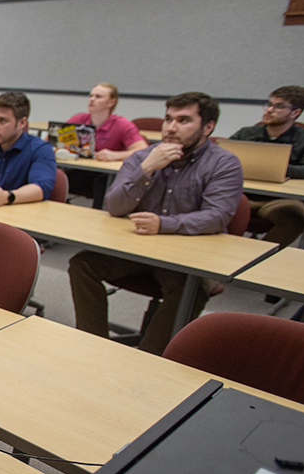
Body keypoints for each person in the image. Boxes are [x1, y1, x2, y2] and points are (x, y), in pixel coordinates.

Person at [68, 92, 244, 355]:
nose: (171, 128)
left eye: (183, 120)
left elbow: (217, 216)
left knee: (190, 289)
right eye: (168, 119)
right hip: (137, 249)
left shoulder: (224, 163)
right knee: (82, 265)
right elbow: (114, 206)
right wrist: (146, 170)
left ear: (208, 127)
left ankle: (150, 357)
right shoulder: (142, 157)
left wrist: (164, 224)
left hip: (187, 255)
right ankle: (93, 346)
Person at [229, 85, 304, 246]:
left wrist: (276, 169)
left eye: (279, 106)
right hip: (241, 193)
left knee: (294, 217)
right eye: (269, 104)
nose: (269, 110)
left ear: (295, 112)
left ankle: (258, 257)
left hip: (277, 199)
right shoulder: (246, 134)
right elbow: (221, 158)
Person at [0, 91, 57, 207]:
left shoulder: (40, 149)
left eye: (2, 121)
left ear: (22, 123)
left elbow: (41, 187)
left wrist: (7, 197)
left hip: (15, 216)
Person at [66, 82, 149, 162]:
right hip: (78, 166)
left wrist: (115, 155)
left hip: (105, 172)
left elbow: (143, 151)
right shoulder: (78, 119)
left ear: (111, 102)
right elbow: (58, 140)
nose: (92, 99)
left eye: (98, 97)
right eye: (91, 96)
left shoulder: (122, 125)